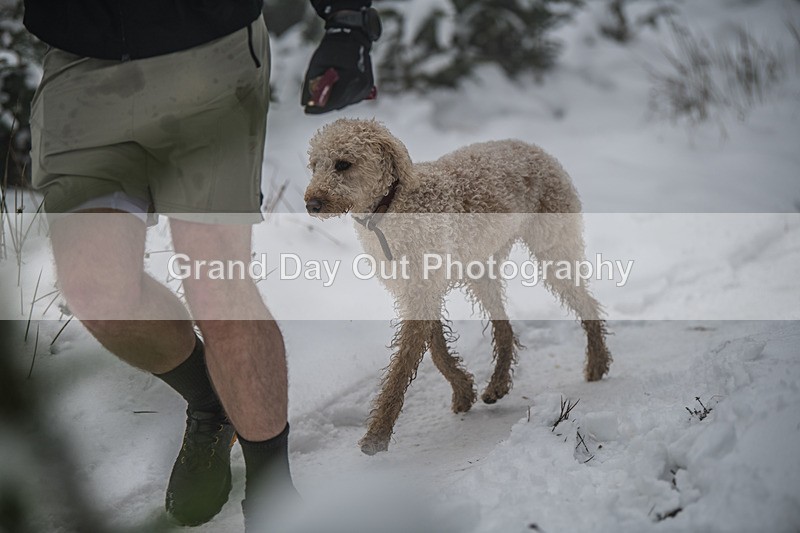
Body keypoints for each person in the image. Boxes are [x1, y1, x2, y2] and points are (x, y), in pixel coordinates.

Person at [23, 0, 380, 529]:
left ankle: (272, 498)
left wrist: (347, 17)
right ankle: (212, 402)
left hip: (212, 56)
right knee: (96, 289)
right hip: (80, 67)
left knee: (217, 285)